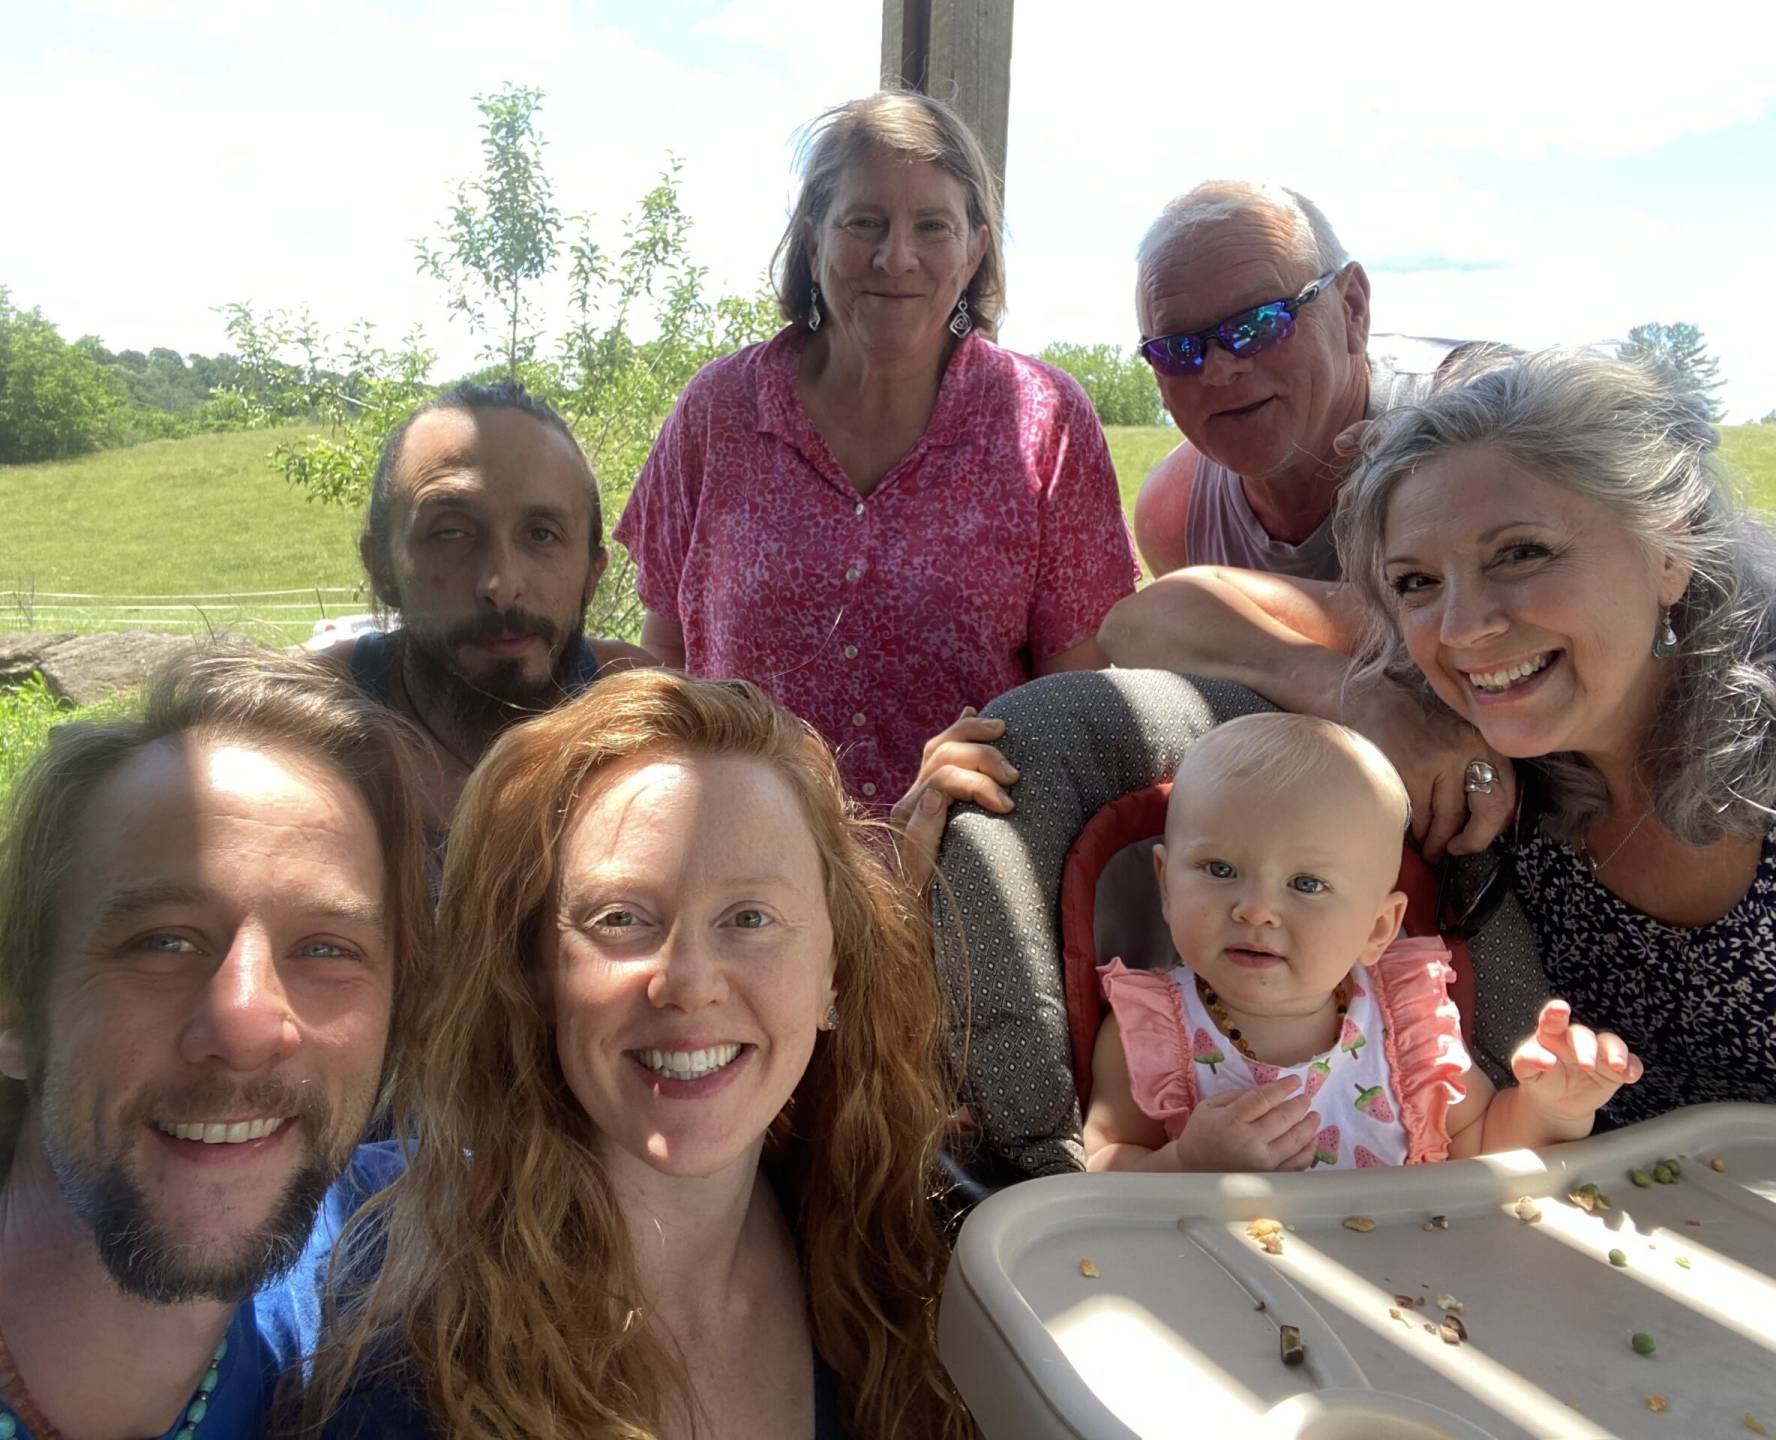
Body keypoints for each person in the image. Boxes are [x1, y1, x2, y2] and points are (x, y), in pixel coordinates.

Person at [1092, 348, 1776, 1126]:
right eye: (1416, 582)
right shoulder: (1445, 685)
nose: (1462, 628)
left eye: (1522, 553)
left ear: (1670, 551)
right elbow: (1142, 622)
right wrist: (1362, 698)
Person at [293, 669, 973, 1439]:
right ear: (533, 973)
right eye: (620, 918)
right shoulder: (390, 1315)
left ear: (835, 972)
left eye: (750, 918)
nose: (688, 984)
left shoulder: (907, 1263)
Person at [0, 649, 432, 1439]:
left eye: (327, 949)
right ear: (15, 1010)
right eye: (162, 942)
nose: (245, 1024)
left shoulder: (386, 1251)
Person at [615, 90, 1138, 808]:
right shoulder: (721, 410)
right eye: (865, 222)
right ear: (812, 239)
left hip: (969, 856)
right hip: (745, 853)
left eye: (932, 226)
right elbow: (662, 662)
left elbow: (1075, 697)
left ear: (976, 249)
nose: (896, 258)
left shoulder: (1046, 420)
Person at [1082, 713, 1641, 1173]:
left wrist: (1552, 1109)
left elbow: (1481, 1146)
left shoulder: (1406, 1026)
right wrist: (1186, 1164)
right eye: (1219, 869)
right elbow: (1100, 1169)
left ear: (1378, 928)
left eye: (1306, 884)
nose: (1254, 909)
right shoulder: (1154, 1032)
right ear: (1165, 885)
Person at [327, 379, 654, 833]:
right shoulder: (306, 725)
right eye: (451, 533)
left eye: (542, 534)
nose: (500, 586)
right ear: (382, 567)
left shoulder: (648, 719)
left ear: (592, 572)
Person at [1118, 180, 1478, 581]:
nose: (1220, 370)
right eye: (1179, 348)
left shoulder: (1486, 424)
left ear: (1352, 309)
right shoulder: (1176, 514)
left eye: (1259, 322)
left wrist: (1218, 602)